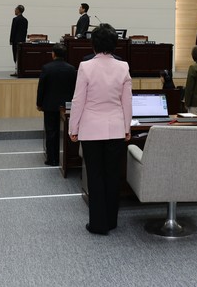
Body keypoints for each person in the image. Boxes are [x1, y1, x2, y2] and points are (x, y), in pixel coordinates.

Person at [68, 23, 132, 235]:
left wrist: (73, 128)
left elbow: (78, 101)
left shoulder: (85, 67)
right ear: (115, 44)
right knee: (113, 176)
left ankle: (98, 223)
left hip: (91, 129)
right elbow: (127, 102)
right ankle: (111, 221)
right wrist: (127, 127)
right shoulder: (123, 67)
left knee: (95, 176)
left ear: (93, 45)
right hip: (116, 129)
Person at [36, 43, 77, 166]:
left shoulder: (46, 68)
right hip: (67, 106)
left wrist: (39, 103)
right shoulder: (71, 69)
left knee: (51, 131)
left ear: (53, 54)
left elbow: (41, 88)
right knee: (64, 132)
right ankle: (64, 157)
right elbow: (74, 88)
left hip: (49, 105)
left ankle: (52, 158)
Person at [10, 5, 29, 76]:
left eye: (15, 9)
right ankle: (20, 71)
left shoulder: (15, 19)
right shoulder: (25, 20)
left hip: (15, 41)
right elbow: (25, 31)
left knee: (15, 56)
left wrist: (11, 40)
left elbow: (13, 31)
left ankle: (17, 71)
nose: (14, 11)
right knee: (21, 56)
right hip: (22, 41)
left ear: (18, 10)